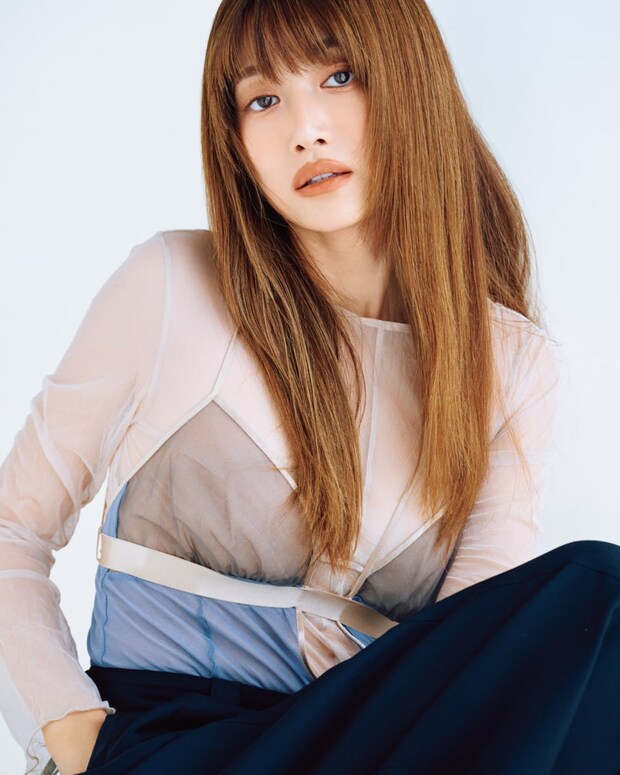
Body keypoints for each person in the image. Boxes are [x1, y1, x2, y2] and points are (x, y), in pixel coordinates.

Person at [1, 0, 619, 773]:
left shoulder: (510, 363)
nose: (305, 129)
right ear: (234, 141)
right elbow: (11, 526)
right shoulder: (171, 287)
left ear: (412, 82)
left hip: (360, 746)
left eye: (339, 76)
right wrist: (71, 731)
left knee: (596, 609)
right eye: (263, 99)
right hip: (174, 744)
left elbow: (477, 658)